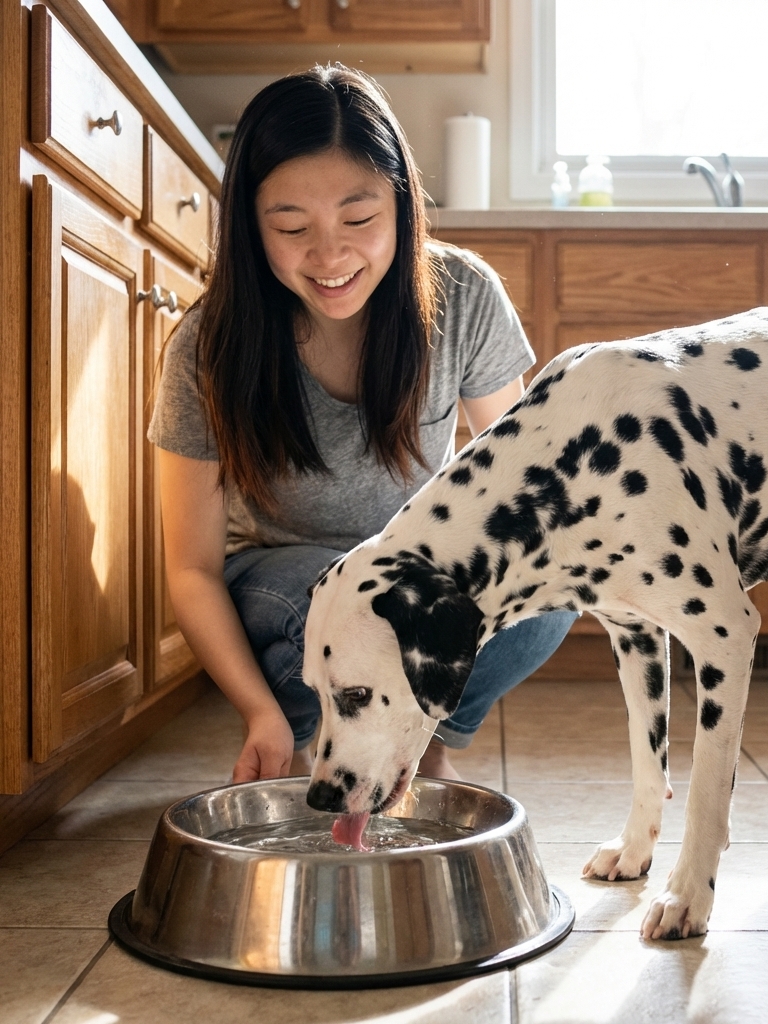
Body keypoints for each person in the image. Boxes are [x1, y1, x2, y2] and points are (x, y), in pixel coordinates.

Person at [149, 65, 577, 785]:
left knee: (552, 585)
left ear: (403, 206)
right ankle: (315, 723)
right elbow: (190, 569)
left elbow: (524, 492)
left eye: (358, 220)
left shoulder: (463, 295)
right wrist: (263, 716)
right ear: (252, 228)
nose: (331, 256)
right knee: (348, 602)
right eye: (291, 227)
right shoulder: (210, 342)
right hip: (283, 581)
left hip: (415, 569)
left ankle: (422, 732)